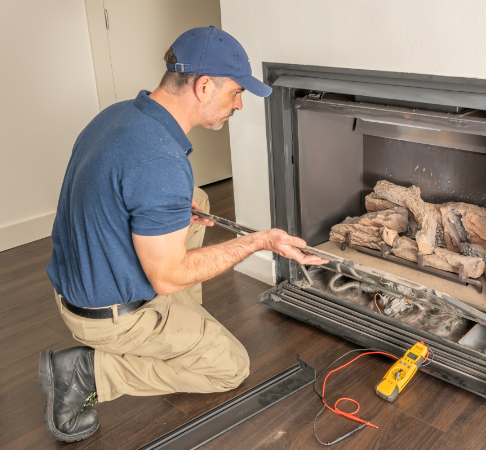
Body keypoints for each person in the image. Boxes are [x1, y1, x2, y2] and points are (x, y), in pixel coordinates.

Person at [39, 26, 327, 442]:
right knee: (230, 367)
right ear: (204, 86)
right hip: (109, 317)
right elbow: (167, 277)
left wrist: (164, 216)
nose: (240, 105)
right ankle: (88, 372)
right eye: (236, 92)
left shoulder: (121, 115)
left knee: (196, 200)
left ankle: (181, 325)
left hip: (75, 282)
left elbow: (122, 195)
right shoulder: (160, 160)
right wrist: (260, 241)